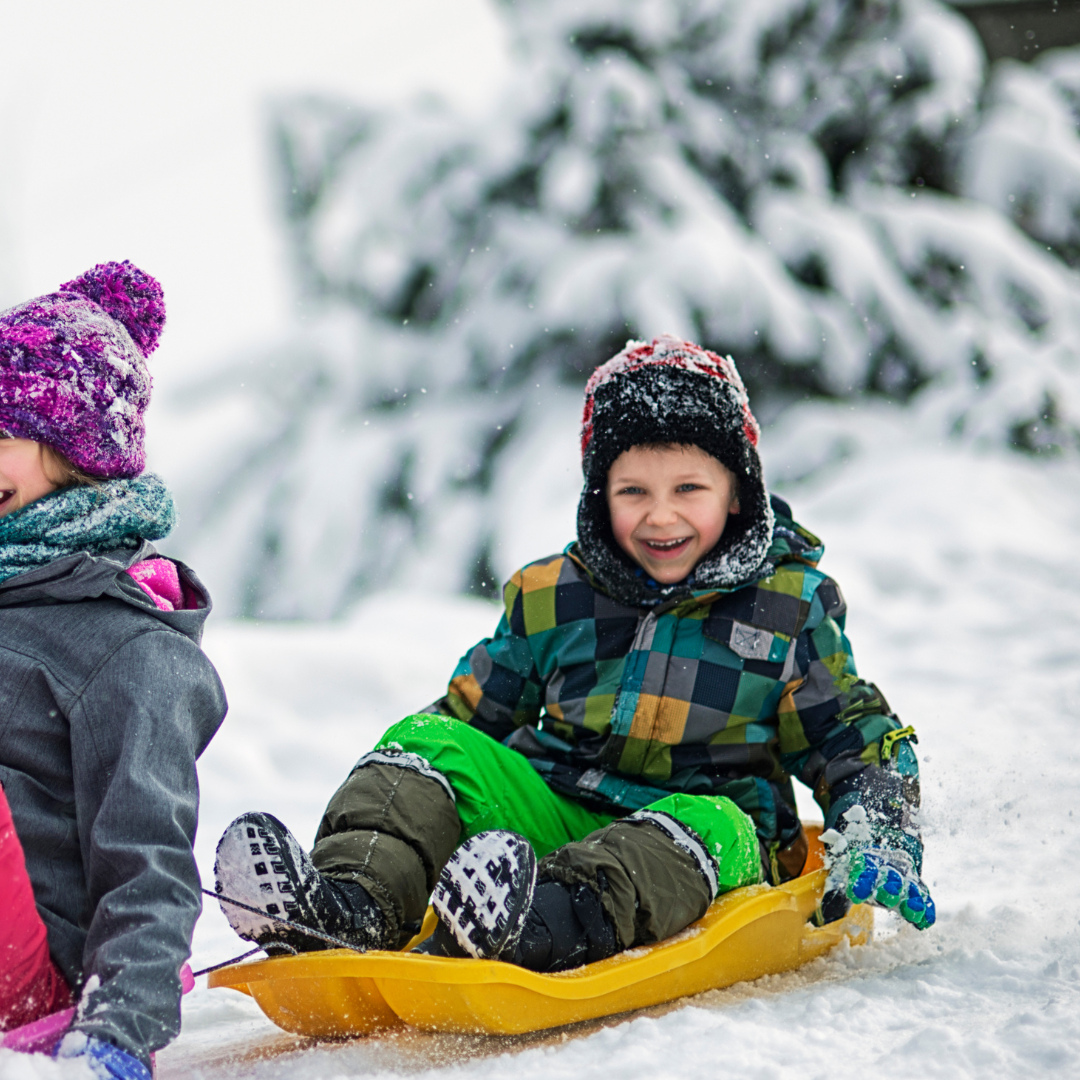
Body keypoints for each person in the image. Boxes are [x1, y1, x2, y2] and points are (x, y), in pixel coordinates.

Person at [215, 334, 932, 974]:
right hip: (562, 810)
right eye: (633, 491)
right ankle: (347, 906)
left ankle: (524, 928)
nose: (661, 515)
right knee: (429, 743)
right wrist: (423, 791)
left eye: (689, 488)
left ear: (738, 494)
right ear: (599, 496)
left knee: (704, 824)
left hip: (714, 844)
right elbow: (472, 720)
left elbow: (852, 737)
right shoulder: (554, 595)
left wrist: (878, 824)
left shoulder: (785, 607)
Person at [0, 263, 228, 1078]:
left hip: (41, 976)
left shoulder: (131, 650)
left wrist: (116, 1032)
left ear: (75, 452)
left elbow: (149, 860)